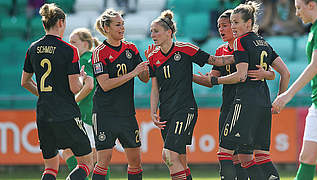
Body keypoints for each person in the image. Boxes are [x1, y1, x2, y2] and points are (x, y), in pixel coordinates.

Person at [202, 1, 290, 179]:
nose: (233, 27)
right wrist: (279, 99)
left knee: (224, 153)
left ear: (248, 23)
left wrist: (215, 80)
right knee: (260, 156)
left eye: (236, 22)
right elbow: (285, 73)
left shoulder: (240, 41)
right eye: (231, 23)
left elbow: (241, 76)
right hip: (264, 103)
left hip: (244, 103)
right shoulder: (263, 42)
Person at [145, 9, 236, 180]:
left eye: (156, 31)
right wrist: (152, 111)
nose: (153, 34)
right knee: (179, 159)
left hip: (184, 109)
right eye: (151, 31)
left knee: (168, 156)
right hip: (166, 112)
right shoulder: (153, 57)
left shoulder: (185, 48)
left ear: (169, 32)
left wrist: (242, 56)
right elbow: (154, 88)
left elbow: (215, 61)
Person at [21, 3, 93, 180]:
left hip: (44, 113)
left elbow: (24, 82)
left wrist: (45, 94)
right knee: (86, 163)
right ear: (61, 22)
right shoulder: (70, 50)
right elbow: (74, 88)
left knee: (51, 167)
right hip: (66, 113)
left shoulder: (33, 48)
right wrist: (85, 79)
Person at [91, 8, 149, 180]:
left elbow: (144, 79)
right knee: (103, 161)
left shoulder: (131, 48)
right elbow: (105, 84)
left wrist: (146, 65)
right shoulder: (99, 53)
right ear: (107, 28)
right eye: (118, 25)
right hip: (105, 113)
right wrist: (132, 73)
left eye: (123, 24)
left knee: (135, 161)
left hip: (127, 113)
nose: (122, 28)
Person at [272, 0, 317, 179]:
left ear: (312, 5)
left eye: (299, 8)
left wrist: (288, 95)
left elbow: (316, 65)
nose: (297, 13)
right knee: (306, 157)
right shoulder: (315, 29)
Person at [61, 28, 110, 180]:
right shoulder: (92, 58)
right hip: (94, 112)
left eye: (74, 42)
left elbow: (89, 85)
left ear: (86, 43)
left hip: (86, 113)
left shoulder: (83, 59)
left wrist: (72, 100)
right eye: (69, 42)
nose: (71, 45)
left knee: (73, 153)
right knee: (95, 158)